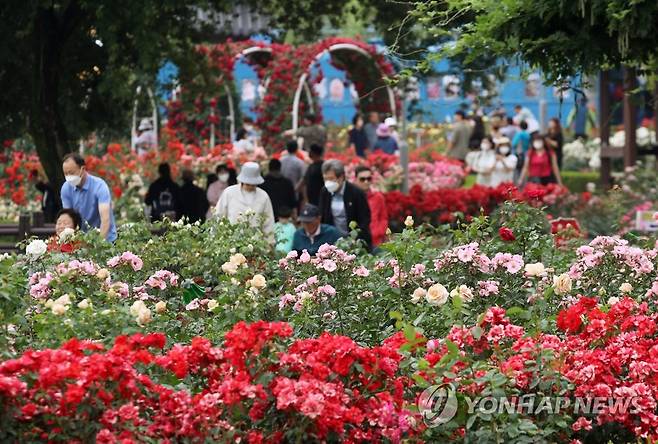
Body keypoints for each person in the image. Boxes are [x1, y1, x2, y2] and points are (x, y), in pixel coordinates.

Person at [60, 153, 117, 242]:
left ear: (82, 169)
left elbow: (105, 219)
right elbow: (69, 219)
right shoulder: (66, 188)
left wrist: (99, 245)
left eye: (71, 173)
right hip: (82, 240)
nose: (68, 177)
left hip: (106, 239)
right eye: (65, 174)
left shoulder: (99, 186)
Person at [318, 159, 372, 250]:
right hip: (333, 242)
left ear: (341, 177)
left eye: (331, 179)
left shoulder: (356, 193)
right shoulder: (325, 192)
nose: (328, 182)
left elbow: (365, 219)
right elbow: (322, 217)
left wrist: (354, 240)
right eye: (325, 179)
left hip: (355, 242)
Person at [215, 162, 275, 238]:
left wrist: (269, 242)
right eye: (248, 184)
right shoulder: (229, 193)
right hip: (232, 241)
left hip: (256, 242)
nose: (250, 186)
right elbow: (219, 215)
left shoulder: (263, 196)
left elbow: (268, 222)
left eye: (253, 184)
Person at [354, 166, 388, 247]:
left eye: (369, 179)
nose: (366, 182)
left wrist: (379, 232)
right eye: (362, 179)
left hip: (375, 241)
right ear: (356, 180)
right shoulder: (352, 197)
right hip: (357, 241)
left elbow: (384, 218)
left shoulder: (378, 197)